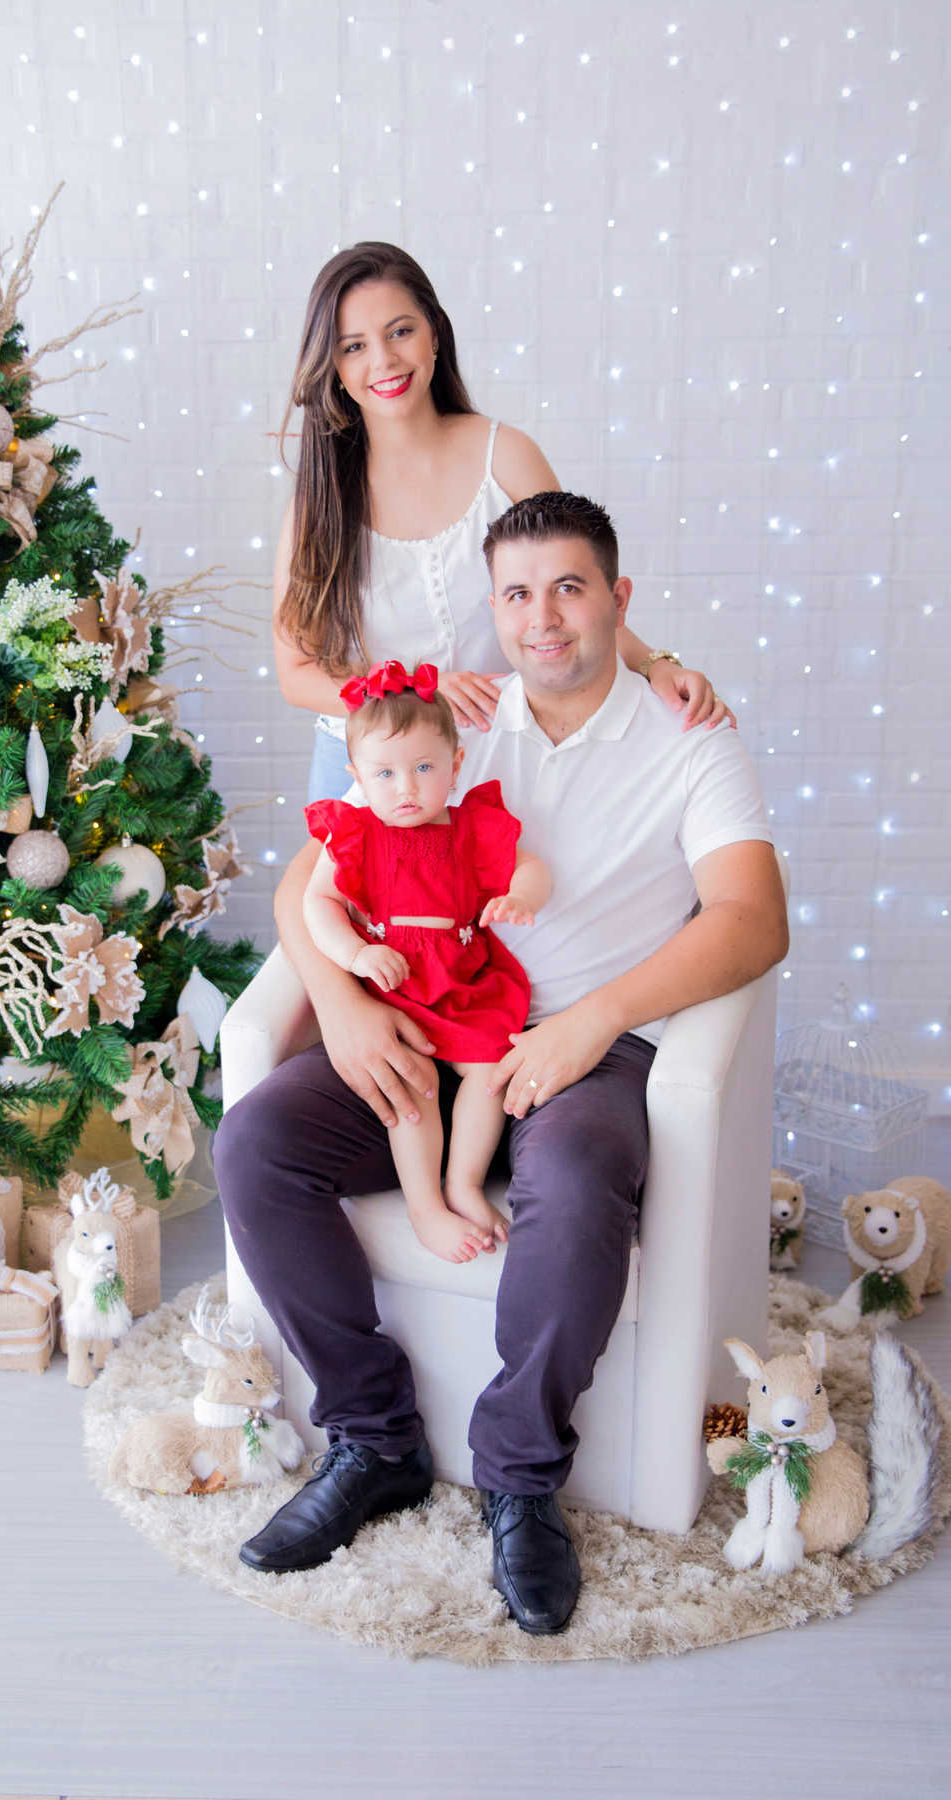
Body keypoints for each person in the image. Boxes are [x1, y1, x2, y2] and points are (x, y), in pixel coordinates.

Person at [216, 490, 787, 1635]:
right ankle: (374, 1439)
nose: (544, 618)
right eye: (518, 594)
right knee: (257, 1142)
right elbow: (311, 876)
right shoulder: (458, 721)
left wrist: (594, 1021)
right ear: (495, 610)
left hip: (596, 1048)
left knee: (573, 1192)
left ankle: (520, 1479)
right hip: (433, 1027)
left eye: (571, 588)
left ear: (619, 603)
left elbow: (753, 918)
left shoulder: (691, 734)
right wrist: (344, 1007)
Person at [272, 241, 733, 804]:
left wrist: (655, 666)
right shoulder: (318, 502)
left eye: (400, 332)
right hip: (368, 773)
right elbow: (296, 673)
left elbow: (575, 592)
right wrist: (416, 688)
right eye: (354, 346)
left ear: (435, 334)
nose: (384, 361)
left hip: (502, 756)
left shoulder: (506, 456)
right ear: (334, 365)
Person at [303, 660, 552, 1264]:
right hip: (397, 983)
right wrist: (357, 953)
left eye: (423, 768)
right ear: (357, 775)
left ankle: (462, 1183)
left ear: (455, 765)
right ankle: (425, 1207)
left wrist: (521, 897)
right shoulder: (359, 833)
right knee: (408, 1086)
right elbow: (319, 904)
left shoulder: (471, 829)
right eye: (384, 773)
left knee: (492, 1070)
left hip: (463, 974)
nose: (406, 788)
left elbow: (532, 867)